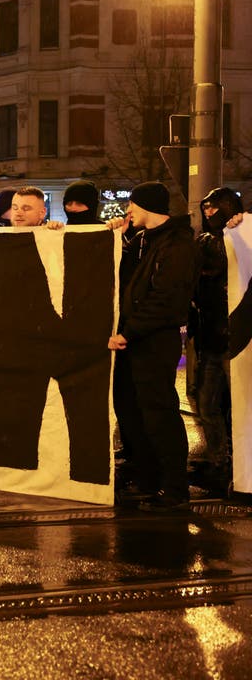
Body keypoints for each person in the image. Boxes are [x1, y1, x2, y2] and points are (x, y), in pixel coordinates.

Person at [106, 181, 198, 512]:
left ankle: (174, 490)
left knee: (160, 414)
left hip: (155, 341)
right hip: (134, 341)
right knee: (133, 412)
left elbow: (167, 300)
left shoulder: (178, 245)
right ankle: (149, 480)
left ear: (147, 206)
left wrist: (128, 332)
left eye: (132, 204)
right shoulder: (142, 241)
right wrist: (115, 235)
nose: (128, 210)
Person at [190, 187, 244, 496]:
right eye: (206, 208)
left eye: (215, 207)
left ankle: (238, 463)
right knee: (207, 403)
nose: (210, 213)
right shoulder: (203, 241)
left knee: (235, 404)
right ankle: (219, 460)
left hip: (234, 338)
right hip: (210, 337)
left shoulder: (239, 236)